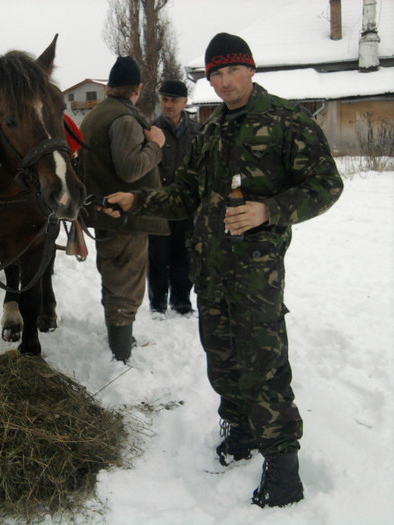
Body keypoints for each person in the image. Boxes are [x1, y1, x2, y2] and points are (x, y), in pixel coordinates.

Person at [103, 33, 343, 507]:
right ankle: (240, 434)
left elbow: (326, 185)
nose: (224, 82)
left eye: (232, 71)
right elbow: (185, 195)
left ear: (251, 69)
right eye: (215, 74)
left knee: (265, 368)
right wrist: (136, 201)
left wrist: (269, 210)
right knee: (223, 361)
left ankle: (283, 467)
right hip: (208, 272)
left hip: (257, 279)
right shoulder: (210, 132)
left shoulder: (285, 121)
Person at [77, 56, 166, 363]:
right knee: (126, 285)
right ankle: (121, 355)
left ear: (110, 87)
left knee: (115, 279)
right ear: (137, 89)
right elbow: (131, 170)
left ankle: (120, 341)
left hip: (106, 213)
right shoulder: (125, 119)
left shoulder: (96, 115)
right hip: (126, 217)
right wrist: (155, 144)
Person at [148, 80, 200, 317]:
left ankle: (181, 301)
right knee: (158, 257)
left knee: (184, 257)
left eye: (174, 100)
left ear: (184, 102)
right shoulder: (151, 131)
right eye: (165, 99)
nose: (169, 105)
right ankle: (157, 303)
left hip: (188, 206)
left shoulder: (198, 132)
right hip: (160, 205)